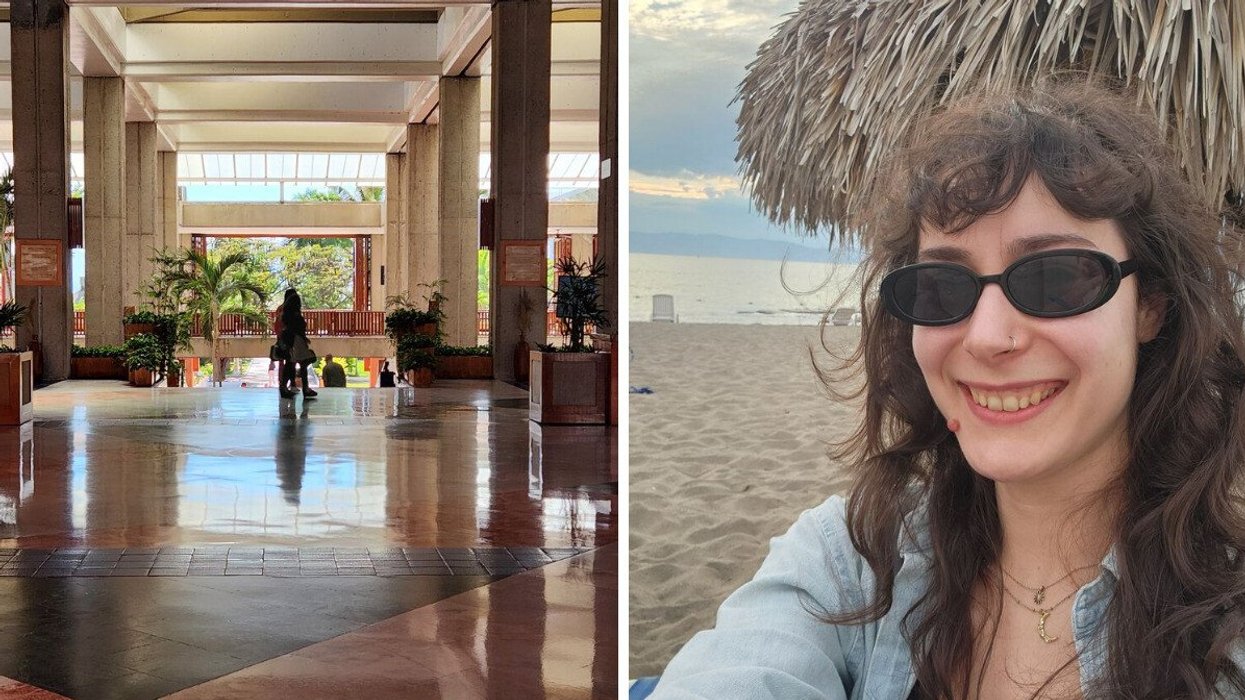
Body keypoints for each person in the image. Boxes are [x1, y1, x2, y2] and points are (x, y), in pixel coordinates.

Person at [650, 81, 1245, 698]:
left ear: (1150, 305)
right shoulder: (852, 562)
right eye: (941, 286)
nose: (986, 338)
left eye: (1055, 278)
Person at [277, 288, 317, 400]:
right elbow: (299, 327)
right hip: (297, 342)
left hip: (289, 341)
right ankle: (303, 388)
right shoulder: (295, 315)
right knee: (300, 363)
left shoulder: (285, 313)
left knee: (290, 364)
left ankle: (285, 387)